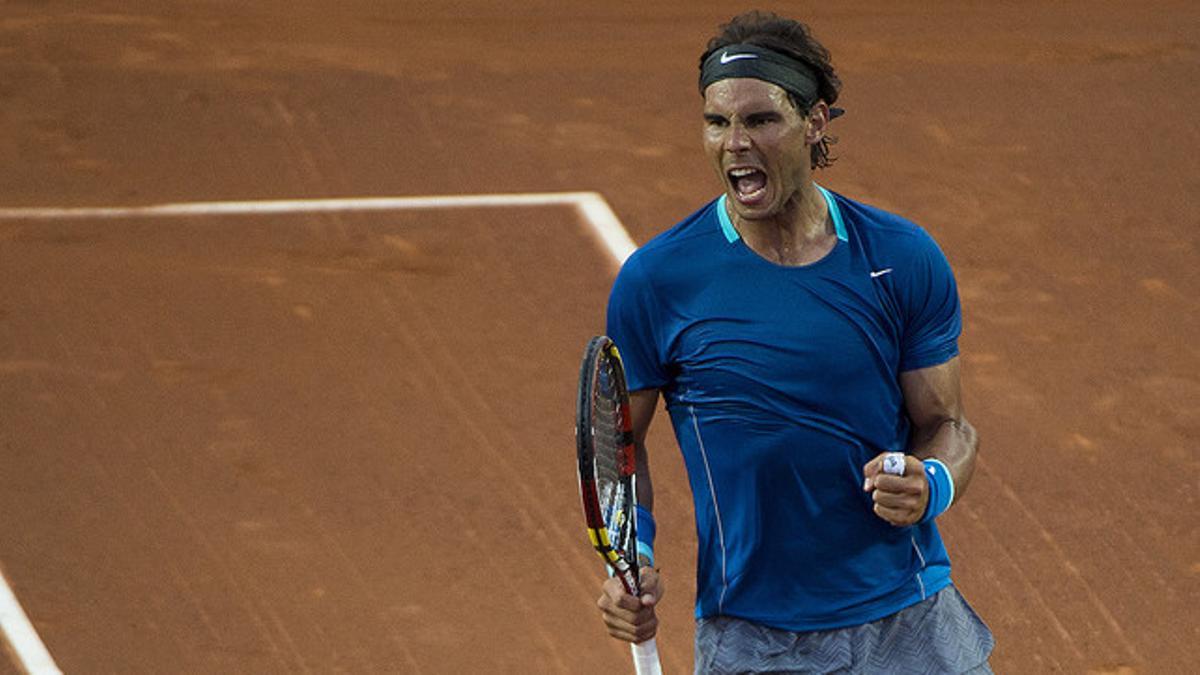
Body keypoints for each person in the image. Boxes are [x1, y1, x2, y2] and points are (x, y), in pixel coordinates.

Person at [595, 10, 995, 674]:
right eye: (717, 122)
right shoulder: (658, 281)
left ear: (814, 123)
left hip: (909, 617)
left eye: (760, 120)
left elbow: (947, 425)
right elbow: (619, 447)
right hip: (754, 633)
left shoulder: (899, 257)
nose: (735, 144)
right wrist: (631, 557)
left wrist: (931, 483)